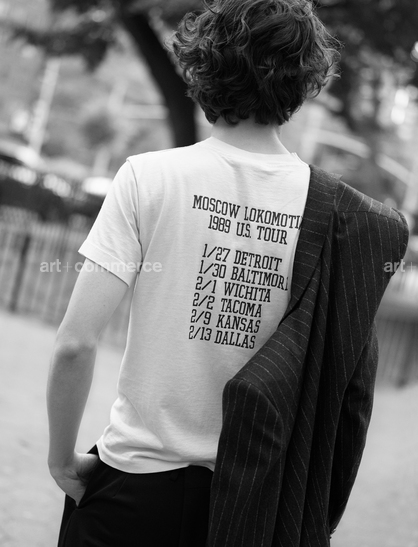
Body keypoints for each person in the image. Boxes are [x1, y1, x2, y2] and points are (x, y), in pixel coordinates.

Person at [47, 1, 408, 546]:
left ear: (204, 65)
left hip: (134, 487)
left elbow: (75, 343)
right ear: (304, 82)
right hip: (255, 505)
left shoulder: (148, 178)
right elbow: (350, 395)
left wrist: (63, 463)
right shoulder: (338, 218)